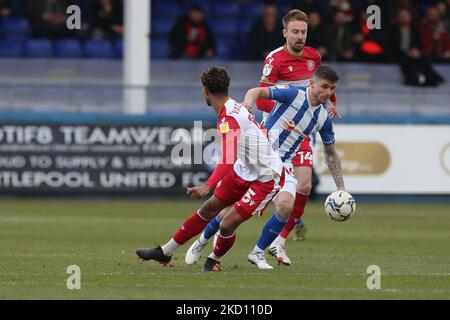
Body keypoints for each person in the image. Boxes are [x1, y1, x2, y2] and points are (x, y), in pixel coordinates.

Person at [186, 65, 346, 269]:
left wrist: (341, 187)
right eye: (324, 86)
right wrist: (249, 102)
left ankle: (257, 252)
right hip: (258, 157)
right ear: (311, 83)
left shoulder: (323, 119)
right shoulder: (292, 94)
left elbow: (331, 154)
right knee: (226, 210)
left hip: (283, 166)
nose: (328, 93)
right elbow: (256, 91)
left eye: (332, 89)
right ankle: (202, 241)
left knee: (286, 205)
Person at [136, 66, 284, 272]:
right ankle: (166, 251)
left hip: (267, 177)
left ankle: (213, 259)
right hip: (246, 168)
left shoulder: (228, 118)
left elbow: (228, 157)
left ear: (205, 90)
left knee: (227, 223)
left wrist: (209, 185)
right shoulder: (233, 107)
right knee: (209, 208)